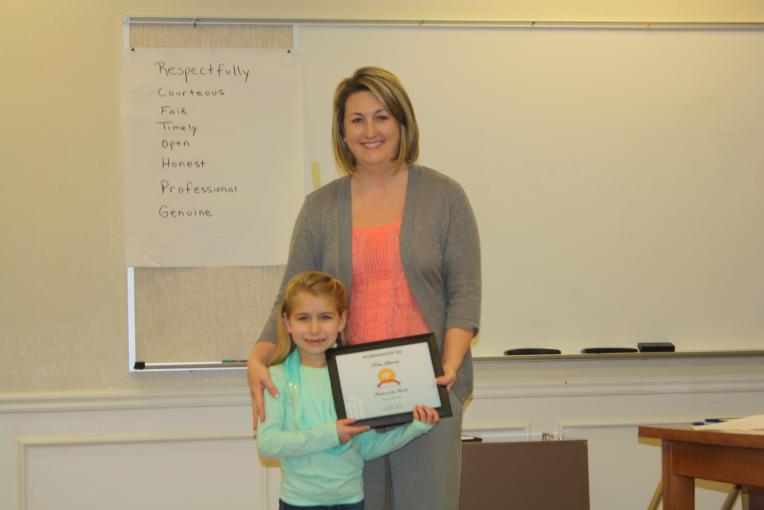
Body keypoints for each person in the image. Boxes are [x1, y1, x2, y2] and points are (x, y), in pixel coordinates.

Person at [249, 66, 481, 510]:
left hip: (426, 391)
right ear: (342, 131)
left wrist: (449, 369)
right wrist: (257, 358)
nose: (370, 131)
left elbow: (465, 295)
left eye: (382, 117)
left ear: (402, 122)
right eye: (357, 119)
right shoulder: (319, 209)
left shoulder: (446, 197)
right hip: (347, 396)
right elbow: (289, 296)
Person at [257, 271, 440, 510]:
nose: (314, 329)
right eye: (303, 318)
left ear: (342, 320)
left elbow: (366, 447)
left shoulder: (354, 376)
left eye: (325, 317)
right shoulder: (277, 377)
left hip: (351, 501)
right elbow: (268, 444)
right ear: (287, 322)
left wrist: (414, 428)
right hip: (298, 503)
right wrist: (331, 433)